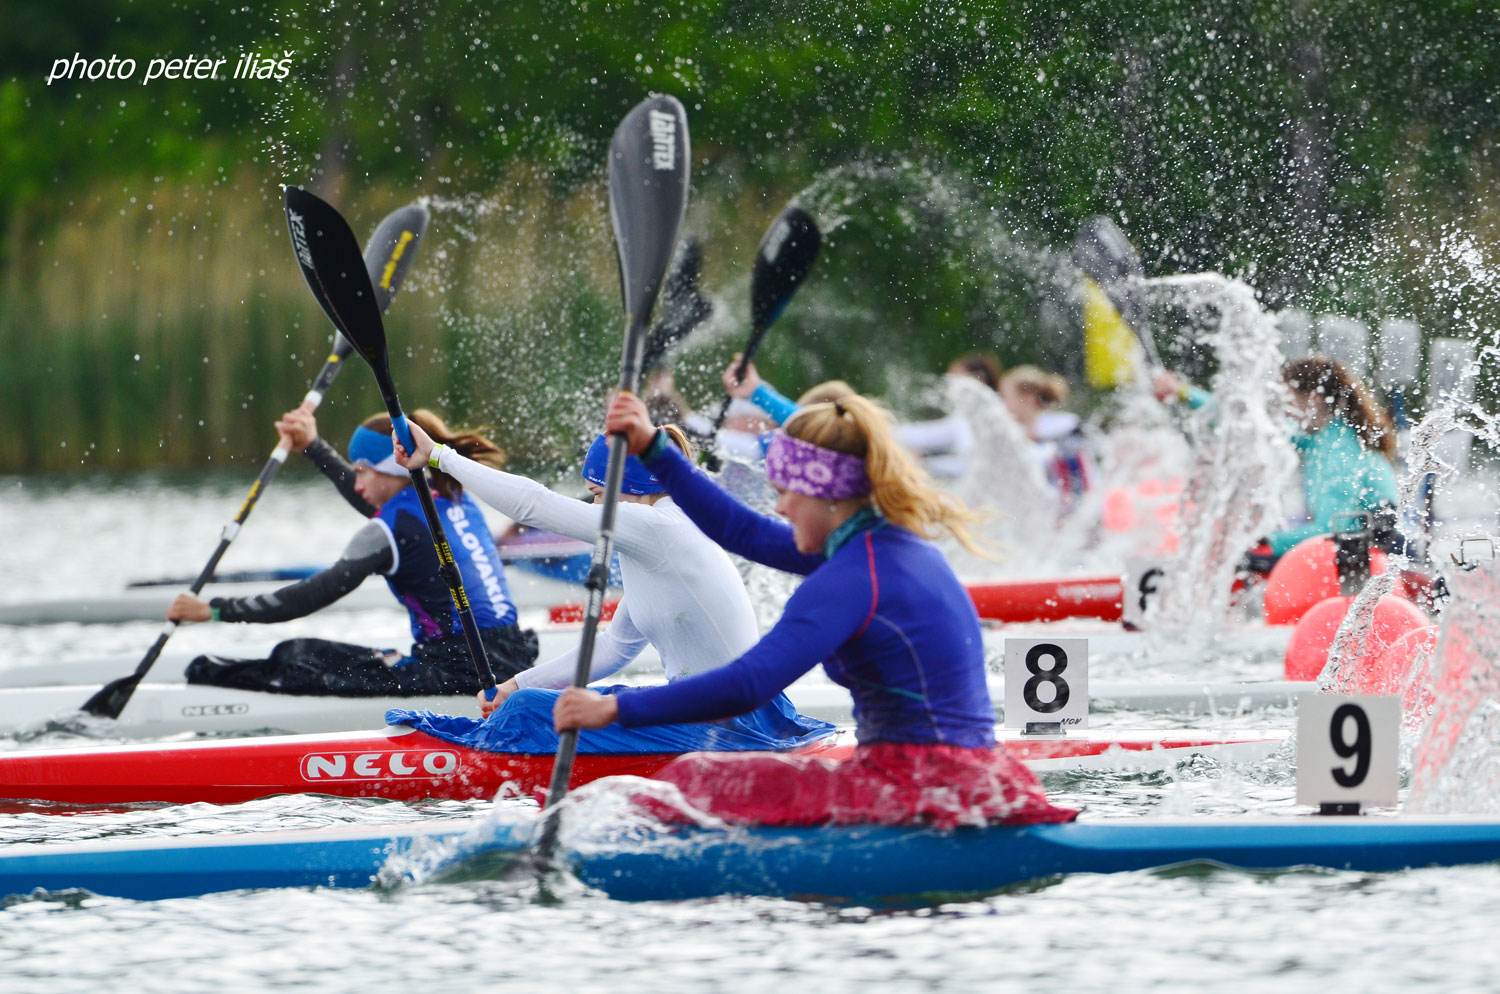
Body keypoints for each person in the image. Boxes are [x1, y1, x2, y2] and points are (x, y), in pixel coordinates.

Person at [551, 390, 1078, 829]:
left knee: (690, 783)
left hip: (919, 792)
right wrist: (655, 449)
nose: (777, 508)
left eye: (785, 492)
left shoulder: (851, 576)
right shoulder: (888, 547)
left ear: (827, 495)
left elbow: (748, 685)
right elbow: (740, 530)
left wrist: (615, 711)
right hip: (978, 779)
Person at [383, 418, 835, 755]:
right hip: (706, 710)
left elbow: (535, 505)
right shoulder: (656, 539)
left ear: (629, 488)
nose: (593, 505)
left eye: (597, 493)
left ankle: (471, 757)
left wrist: (441, 457)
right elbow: (612, 651)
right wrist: (515, 684)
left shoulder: (656, 526)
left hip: (732, 723)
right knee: (530, 704)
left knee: (531, 714)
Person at [168, 406, 538, 696]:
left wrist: (216, 611)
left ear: (390, 469)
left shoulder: (389, 528)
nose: (356, 482)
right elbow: (386, 510)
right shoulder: (454, 497)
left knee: (297, 656)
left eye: (362, 470)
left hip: (457, 672)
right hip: (512, 658)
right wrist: (312, 445)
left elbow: (312, 594)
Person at [1155, 357, 1404, 568]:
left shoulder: (1339, 452)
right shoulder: (1320, 436)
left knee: (1244, 560)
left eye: (1288, 401)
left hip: (1369, 561)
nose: (1283, 411)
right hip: (1350, 552)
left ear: (1314, 399)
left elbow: (1333, 530)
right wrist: (1183, 392)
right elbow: (1246, 428)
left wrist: (1268, 540)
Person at [998, 365, 1095, 511]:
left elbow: (1077, 485)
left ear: (1027, 398)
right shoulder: (1019, 433)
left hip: (1078, 514)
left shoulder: (1064, 426)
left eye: (1006, 397)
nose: (1002, 406)